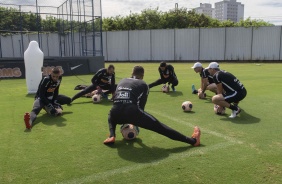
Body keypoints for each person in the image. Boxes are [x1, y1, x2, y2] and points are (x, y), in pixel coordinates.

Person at [103, 65, 201, 146]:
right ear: (142, 75)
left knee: (111, 115)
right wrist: (135, 123)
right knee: (160, 127)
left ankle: (112, 135)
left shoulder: (122, 81)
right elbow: (141, 107)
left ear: (132, 73)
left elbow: (117, 100)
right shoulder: (143, 84)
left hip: (115, 112)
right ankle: (193, 141)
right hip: (131, 111)